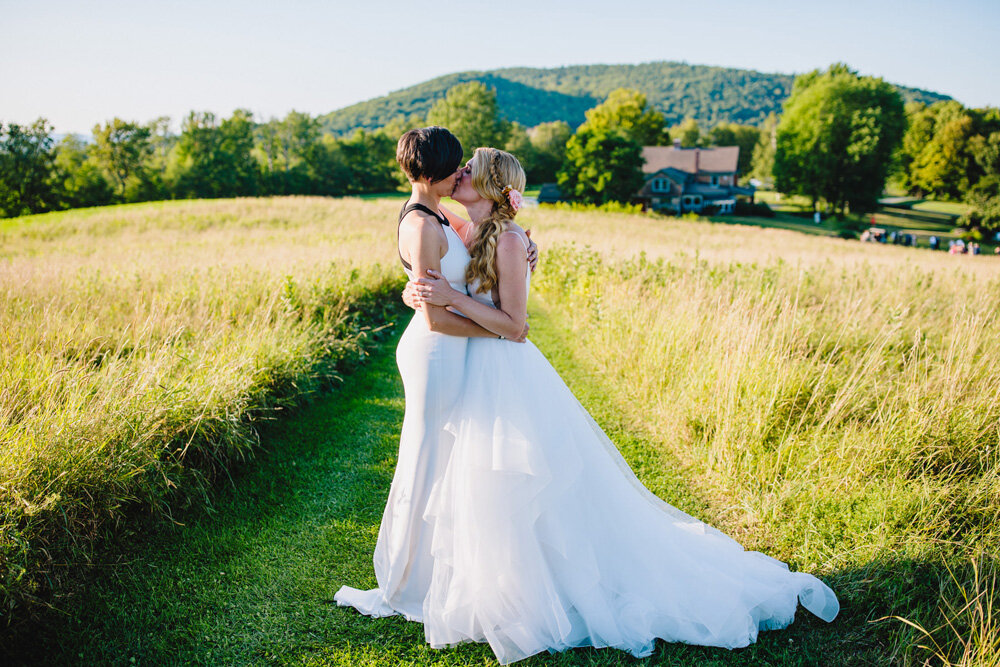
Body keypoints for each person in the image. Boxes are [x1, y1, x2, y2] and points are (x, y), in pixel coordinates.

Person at [406, 148, 839, 664]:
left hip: (504, 369)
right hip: (478, 370)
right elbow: (425, 232)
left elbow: (516, 327)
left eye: (469, 169)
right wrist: (426, 290)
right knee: (485, 482)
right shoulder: (465, 227)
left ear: (491, 183)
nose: (460, 173)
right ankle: (497, 584)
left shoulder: (509, 237)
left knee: (522, 484)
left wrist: (453, 298)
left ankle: (546, 590)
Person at [333, 128, 536, 620]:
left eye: (467, 169)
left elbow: (481, 245)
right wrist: (509, 331)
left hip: (456, 348)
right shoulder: (423, 224)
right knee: (423, 461)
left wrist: (527, 250)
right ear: (431, 173)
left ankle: (446, 572)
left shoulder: (441, 215)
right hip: (437, 352)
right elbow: (437, 316)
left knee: (448, 460)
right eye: (455, 168)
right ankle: (403, 585)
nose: (460, 174)